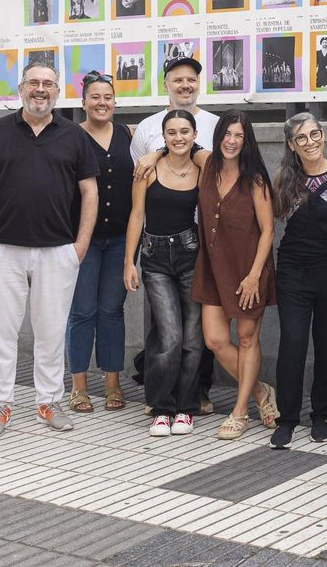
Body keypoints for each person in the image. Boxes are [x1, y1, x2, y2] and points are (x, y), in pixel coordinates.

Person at [0, 61, 98, 435]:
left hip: (58, 249)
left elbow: (89, 192)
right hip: (2, 249)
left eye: (48, 83)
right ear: (21, 88)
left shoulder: (74, 135)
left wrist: (79, 246)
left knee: (50, 332)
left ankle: (49, 401)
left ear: (57, 91)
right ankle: (0, 404)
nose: (40, 89)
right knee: (1, 332)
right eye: (34, 83)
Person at [131, 56, 221, 414]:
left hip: (200, 241)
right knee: (165, 330)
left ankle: (196, 393)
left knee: (196, 328)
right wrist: (154, 153)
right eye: (177, 80)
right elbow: (139, 173)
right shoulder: (146, 127)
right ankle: (161, 399)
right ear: (165, 83)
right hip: (157, 241)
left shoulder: (214, 123)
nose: (185, 85)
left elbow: (219, 166)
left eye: (191, 80)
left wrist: (167, 151)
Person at [192, 112, 280, 439]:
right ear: (218, 136)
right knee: (214, 339)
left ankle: (240, 410)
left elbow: (269, 229)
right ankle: (259, 391)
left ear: (247, 141)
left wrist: (255, 275)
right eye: (227, 134)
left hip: (247, 268)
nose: (231, 141)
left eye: (238, 136)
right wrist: (152, 154)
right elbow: (179, 145)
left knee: (246, 339)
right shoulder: (207, 163)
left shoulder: (254, 178)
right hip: (213, 268)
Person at [269, 114, 327, 449]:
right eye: (301, 138)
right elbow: (267, 220)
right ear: (291, 144)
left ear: (323, 134)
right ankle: (287, 418)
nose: (310, 142)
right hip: (293, 271)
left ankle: (322, 414)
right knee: (292, 342)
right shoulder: (283, 179)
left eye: (314, 134)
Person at [124, 110, 205, 436]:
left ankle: (186, 407)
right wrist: (128, 262)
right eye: (171, 133)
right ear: (163, 135)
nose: (178, 138)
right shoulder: (148, 169)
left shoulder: (202, 168)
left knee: (193, 337)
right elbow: (136, 214)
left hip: (190, 255)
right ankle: (161, 407)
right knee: (168, 335)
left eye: (185, 131)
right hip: (155, 257)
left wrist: (158, 150)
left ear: (194, 133)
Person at [66, 72, 131, 415]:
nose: (102, 102)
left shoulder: (127, 136)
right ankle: (78, 388)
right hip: (83, 240)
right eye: (95, 97)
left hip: (120, 239)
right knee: (82, 312)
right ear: (83, 102)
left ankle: (112, 383)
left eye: (107, 97)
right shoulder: (72, 136)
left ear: (114, 102)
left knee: (111, 311)